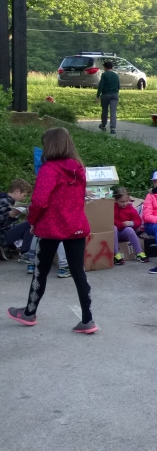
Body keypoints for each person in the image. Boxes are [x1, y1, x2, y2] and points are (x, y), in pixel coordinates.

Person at [7, 127, 98, 334]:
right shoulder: (78, 168)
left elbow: (39, 201)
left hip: (51, 227)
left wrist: (32, 221)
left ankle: (29, 313)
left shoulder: (49, 169)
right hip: (76, 225)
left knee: (41, 271)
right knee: (78, 273)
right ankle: (88, 320)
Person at [112, 187, 147, 265]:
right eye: (122, 202)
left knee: (129, 229)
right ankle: (116, 254)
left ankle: (139, 253)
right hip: (114, 233)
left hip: (124, 233)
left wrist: (131, 223)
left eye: (126, 201)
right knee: (113, 228)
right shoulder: (112, 208)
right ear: (116, 200)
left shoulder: (130, 208)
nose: (124, 203)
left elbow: (138, 221)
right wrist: (121, 224)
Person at [0, 179, 31, 261]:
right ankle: (25, 252)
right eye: (24, 195)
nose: (24, 198)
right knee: (30, 223)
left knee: (29, 226)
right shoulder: (5, 201)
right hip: (3, 235)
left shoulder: (6, 199)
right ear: (17, 191)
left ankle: (25, 251)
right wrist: (9, 215)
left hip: (5, 232)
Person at [96, 60, 119, 135]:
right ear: (111, 67)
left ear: (105, 67)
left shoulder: (104, 74)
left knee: (105, 110)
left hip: (106, 95)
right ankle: (112, 128)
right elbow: (118, 86)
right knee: (113, 111)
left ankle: (103, 125)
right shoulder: (116, 75)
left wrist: (98, 96)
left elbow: (101, 85)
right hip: (115, 95)